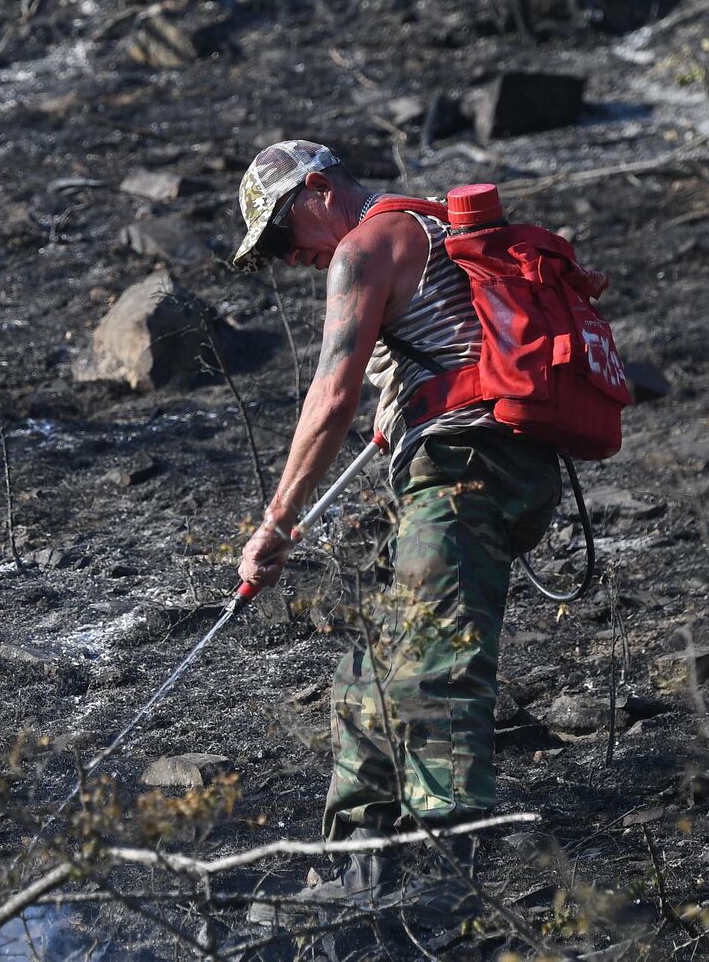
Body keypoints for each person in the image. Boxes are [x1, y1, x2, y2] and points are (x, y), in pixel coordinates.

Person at [230, 140, 562, 892]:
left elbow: (330, 398)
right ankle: (354, 871)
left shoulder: (364, 246)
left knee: (435, 675)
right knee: (369, 674)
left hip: (464, 473)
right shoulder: (430, 226)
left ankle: (454, 894)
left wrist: (276, 524)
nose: (290, 259)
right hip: (490, 470)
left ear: (317, 187)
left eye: (284, 235)